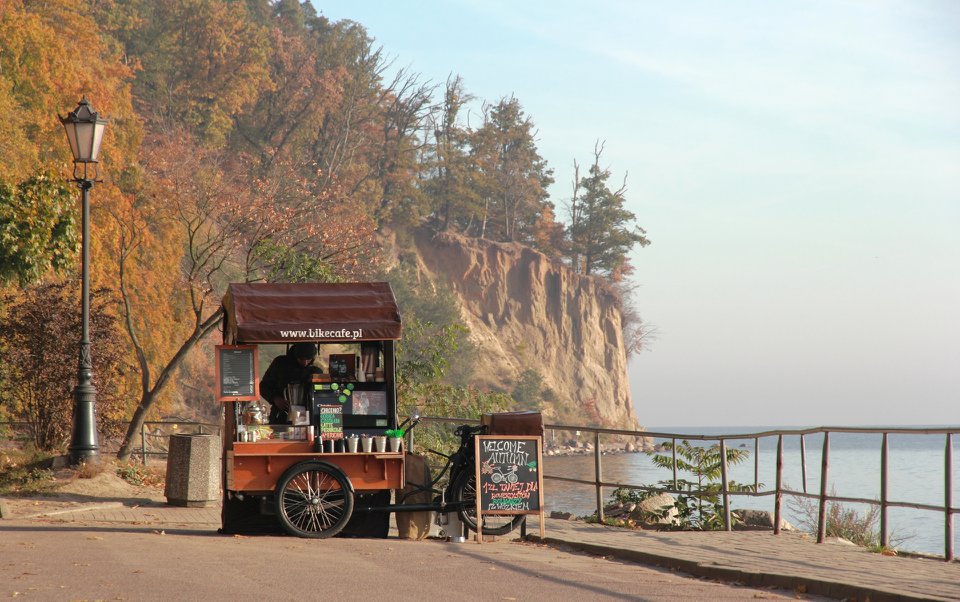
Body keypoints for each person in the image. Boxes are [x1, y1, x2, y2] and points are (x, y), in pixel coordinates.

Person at [260, 342, 320, 424]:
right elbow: (264, 386)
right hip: (281, 415)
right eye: (301, 359)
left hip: (308, 416)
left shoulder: (315, 371)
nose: (305, 363)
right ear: (295, 355)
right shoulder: (280, 363)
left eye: (308, 360)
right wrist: (275, 398)